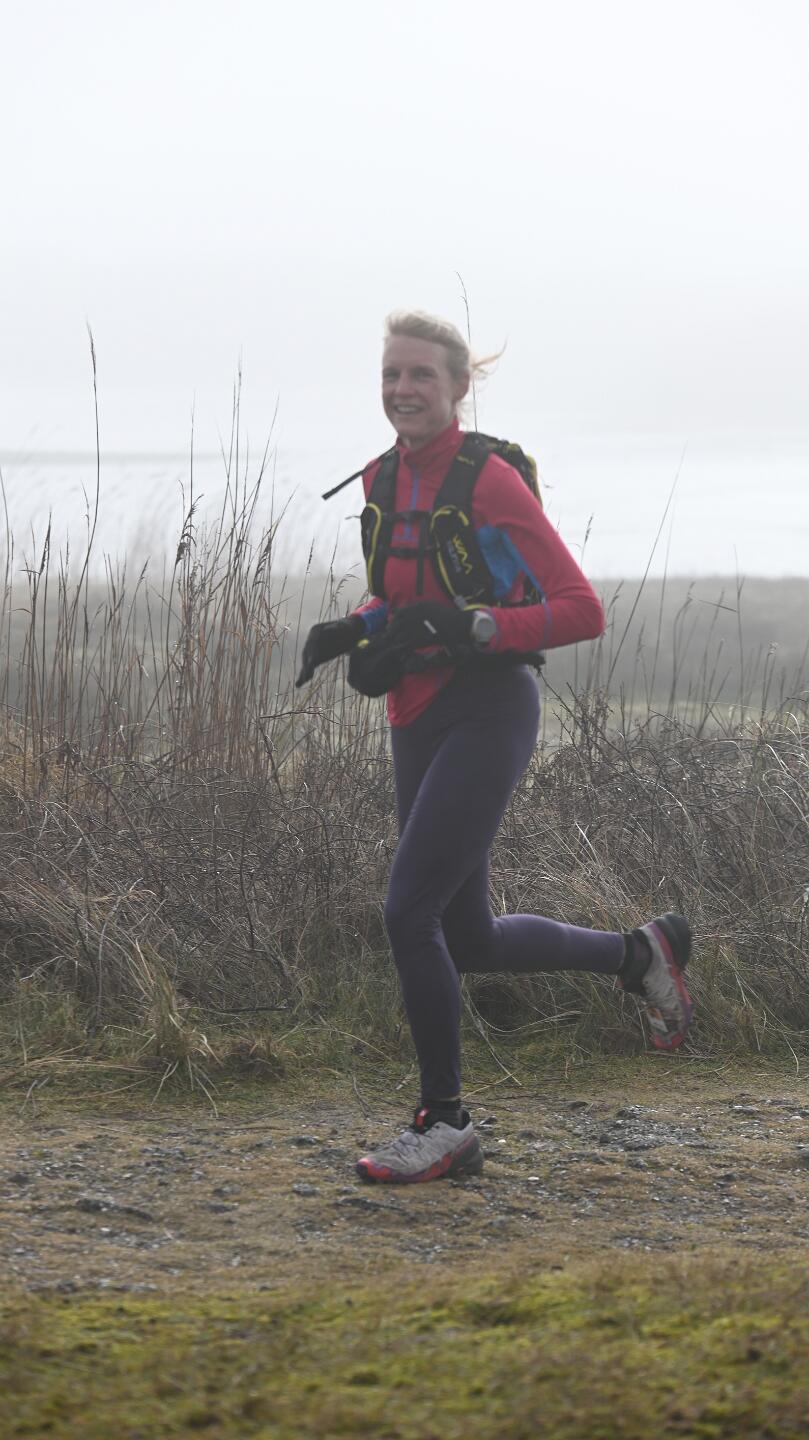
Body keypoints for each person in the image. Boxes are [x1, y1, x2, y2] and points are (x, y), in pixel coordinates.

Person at [297, 310, 693, 1185]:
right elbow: (403, 595)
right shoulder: (380, 476)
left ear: (457, 386)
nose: (403, 389)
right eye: (391, 374)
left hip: (488, 708)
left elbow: (580, 609)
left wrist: (472, 628)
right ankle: (638, 955)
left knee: (408, 911)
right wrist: (355, 627)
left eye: (421, 375)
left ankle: (444, 1124)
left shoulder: (491, 482)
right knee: (465, 935)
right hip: (414, 711)